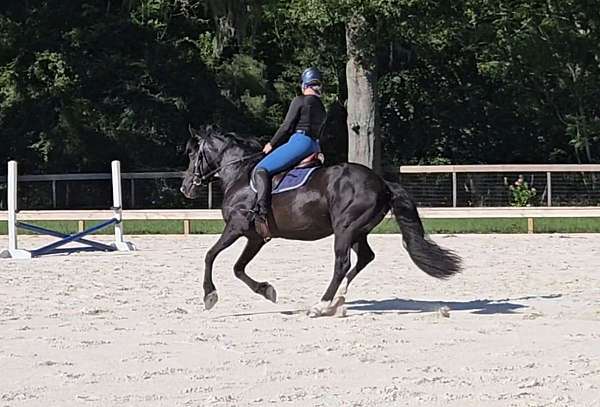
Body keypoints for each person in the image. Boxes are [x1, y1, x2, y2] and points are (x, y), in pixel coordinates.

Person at [252, 67, 327, 238]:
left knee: (261, 169)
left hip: (300, 141)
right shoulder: (321, 107)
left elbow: (286, 126)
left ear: (304, 85)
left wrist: (271, 144)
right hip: (315, 145)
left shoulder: (300, 100)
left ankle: (261, 212)